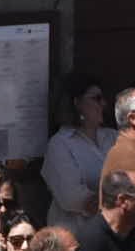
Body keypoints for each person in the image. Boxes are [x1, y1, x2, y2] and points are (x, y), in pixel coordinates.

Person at [42, 75, 116, 223]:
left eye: (103, 98)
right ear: (77, 103)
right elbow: (72, 197)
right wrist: (120, 202)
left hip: (112, 234)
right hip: (75, 235)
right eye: (96, 98)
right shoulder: (60, 144)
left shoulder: (113, 137)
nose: (103, 104)